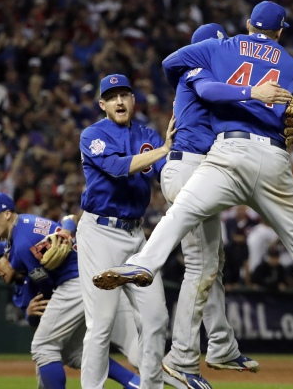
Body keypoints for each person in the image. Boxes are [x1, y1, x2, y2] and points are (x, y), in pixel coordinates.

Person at [94, 2, 293, 367]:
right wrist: (289, 123)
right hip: (271, 158)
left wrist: (229, 81)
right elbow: (286, 118)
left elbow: (174, 65)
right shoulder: (290, 64)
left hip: (227, 153)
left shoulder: (222, 47)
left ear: (249, 24)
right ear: (280, 31)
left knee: (184, 212)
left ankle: (143, 264)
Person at [150, 23, 292, 384]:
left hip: (190, 167)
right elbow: (216, 91)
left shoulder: (210, 75)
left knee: (212, 263)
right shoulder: (199, 70)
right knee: (200, 266)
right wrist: (256, 95)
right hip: (190, 168)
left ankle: (221, 346)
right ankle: (180, 361)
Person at [0, 193, 141, 389]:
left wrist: (68, 229)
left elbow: (45, 286)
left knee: (43, 347)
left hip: (75, 282)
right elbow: (69, 220)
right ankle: (135, 383)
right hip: (93, 275)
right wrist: (68, 228)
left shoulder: (20, 245)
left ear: (8, 213)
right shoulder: (29, 224)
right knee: (74, 353)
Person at [77, 74, 175, 389]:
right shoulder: (93, 134)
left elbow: (167, 175)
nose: (120, 101)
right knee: (102, 324)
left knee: (156, 319)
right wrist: (163, 151)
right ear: (103, 104)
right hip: (100, 233)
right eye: (113, 96)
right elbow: (119, 168)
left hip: (137, 235)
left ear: (133, 100)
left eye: (125, 95)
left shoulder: (147, 134)